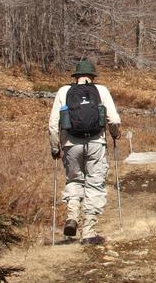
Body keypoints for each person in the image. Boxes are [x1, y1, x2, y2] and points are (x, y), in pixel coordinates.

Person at [48, 59, 121, 245]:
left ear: (76, 76)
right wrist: (115, 135)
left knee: (74, 180)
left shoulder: (64, 91)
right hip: (96, 142)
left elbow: (53, 124)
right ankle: (88, 232)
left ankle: (72, 217)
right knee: (95, 184)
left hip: (70, 144)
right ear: (92, 76)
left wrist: (55, 148)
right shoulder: (101, 90)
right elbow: (113, 120)